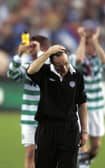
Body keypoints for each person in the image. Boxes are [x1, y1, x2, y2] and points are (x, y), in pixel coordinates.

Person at [26, 44, 88, 168]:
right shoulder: (45, 71)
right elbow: (30, 71)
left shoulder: (77, 75)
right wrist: (48, 52)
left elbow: (81, 103)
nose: (64, 68)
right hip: (47, 128)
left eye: (66, 63)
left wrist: (84, 131)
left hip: (69, 129)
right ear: (52, 63)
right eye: (60, 66)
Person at [7, 35, 50, 168]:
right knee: (30, 151)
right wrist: (18, 55)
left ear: (43, 47)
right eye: (30, 46)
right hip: (29, 117)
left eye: (34, 46)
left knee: (45, 153)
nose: (31, 49)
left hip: (47, 117)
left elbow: (49, 67)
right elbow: (12, 74)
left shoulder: (50, 64)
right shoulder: (26, 65)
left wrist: (40, 53)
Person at [74, 26, 105, 168]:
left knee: (95, 147)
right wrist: (83, 39)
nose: (91, 48)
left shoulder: (96, 60)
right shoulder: (75, 57)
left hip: (97, 108)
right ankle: (82, 165)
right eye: (89, 45)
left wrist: (95, 40)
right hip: (81, 107)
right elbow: (78, 61)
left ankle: (83, 161)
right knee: (81, 141)